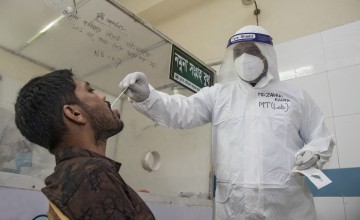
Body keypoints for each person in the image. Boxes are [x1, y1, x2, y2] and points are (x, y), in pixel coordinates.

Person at [119, 25, 335, 220]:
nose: (244, 58)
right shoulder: (219, 95)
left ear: (266, 54)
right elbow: (181, 111)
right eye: (238, 53)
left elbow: (320, 136)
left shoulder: (295, 97)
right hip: (234, 209)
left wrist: (314, 153)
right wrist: (147, 96)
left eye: (251, 51)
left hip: (288, 209)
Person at [14, 70, 155, 220]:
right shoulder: (92, 176)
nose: (102, 97)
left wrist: (122, 196)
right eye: (90, 90)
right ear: (75, 113)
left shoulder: (73, 177)